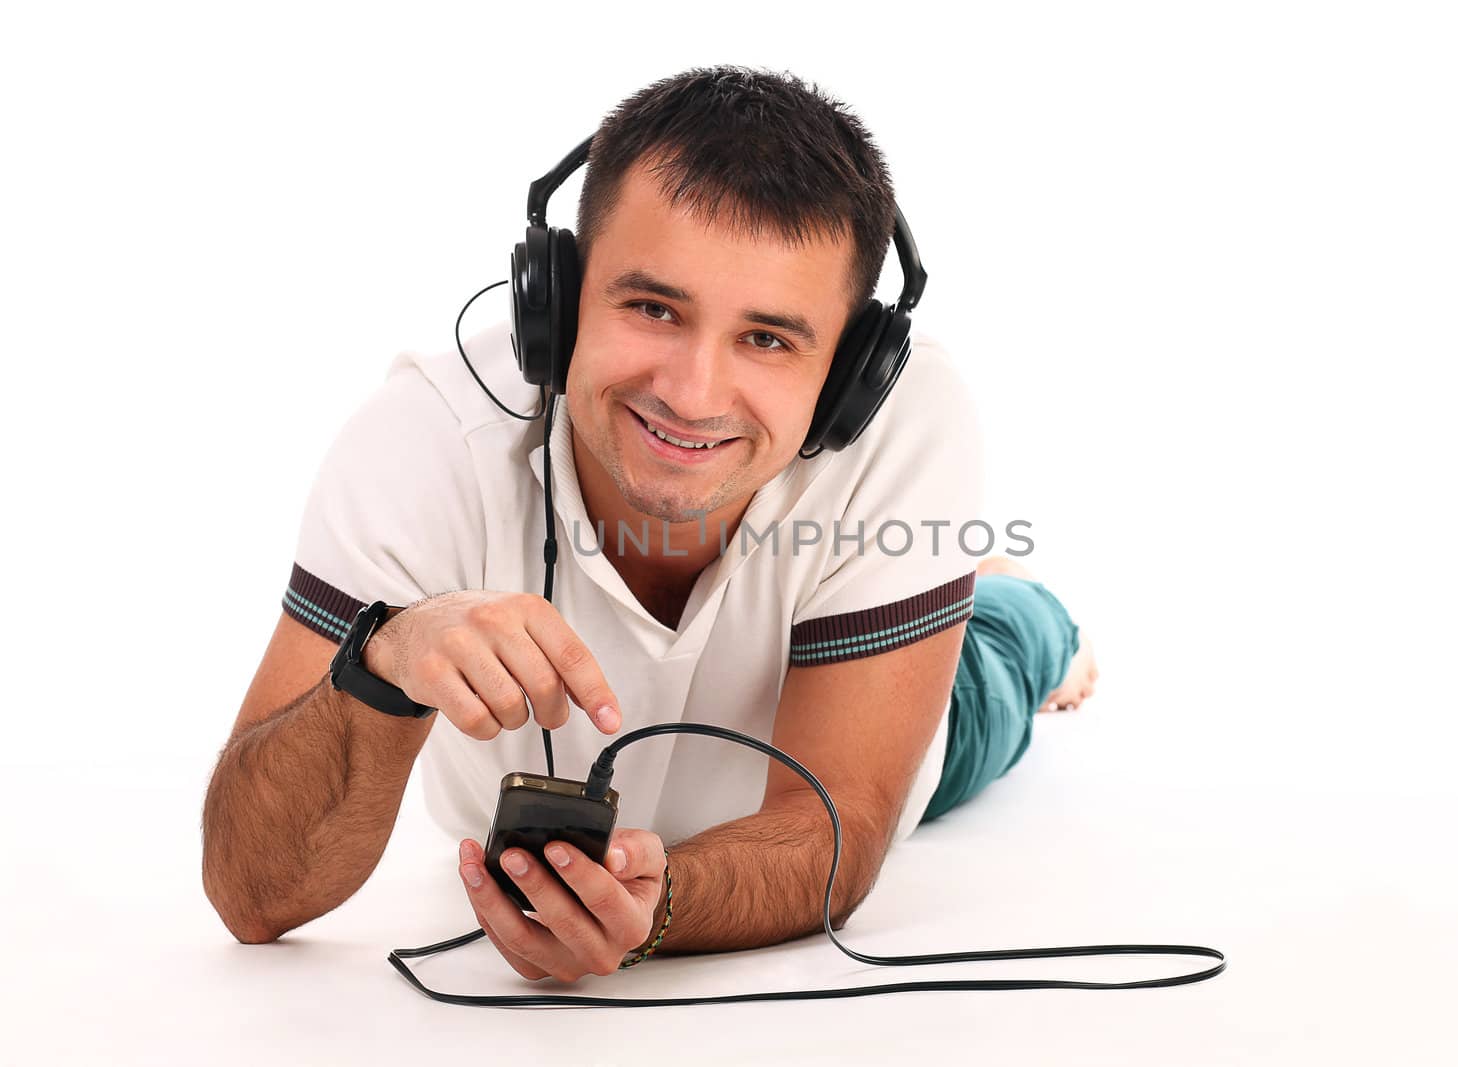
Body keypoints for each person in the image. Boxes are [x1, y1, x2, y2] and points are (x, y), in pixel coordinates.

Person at [200, 65, 1097, 984]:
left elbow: (842, 823)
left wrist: (657, 908)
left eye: (768, 337)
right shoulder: (425, 439)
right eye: (653, 307)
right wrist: (381, 663)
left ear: (850, 371)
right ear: (556, 297)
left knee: (1011, 655)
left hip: (910, 722)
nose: (691, 396)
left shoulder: (907, 425)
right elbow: (252, 893)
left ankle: (1004, 603)